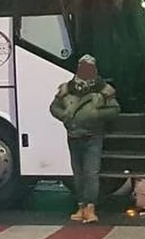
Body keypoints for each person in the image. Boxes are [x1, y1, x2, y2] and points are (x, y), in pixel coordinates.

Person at [49, 55, 120, 224]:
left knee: (91, 173)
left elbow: (115, 109)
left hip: (93, 135)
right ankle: (81, 206)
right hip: (73, 135)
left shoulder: (104, 90)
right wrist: (64, 116)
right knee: (78, 174)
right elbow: (54, 107)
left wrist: (97, 115)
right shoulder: (67, 88)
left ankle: (90, 207)